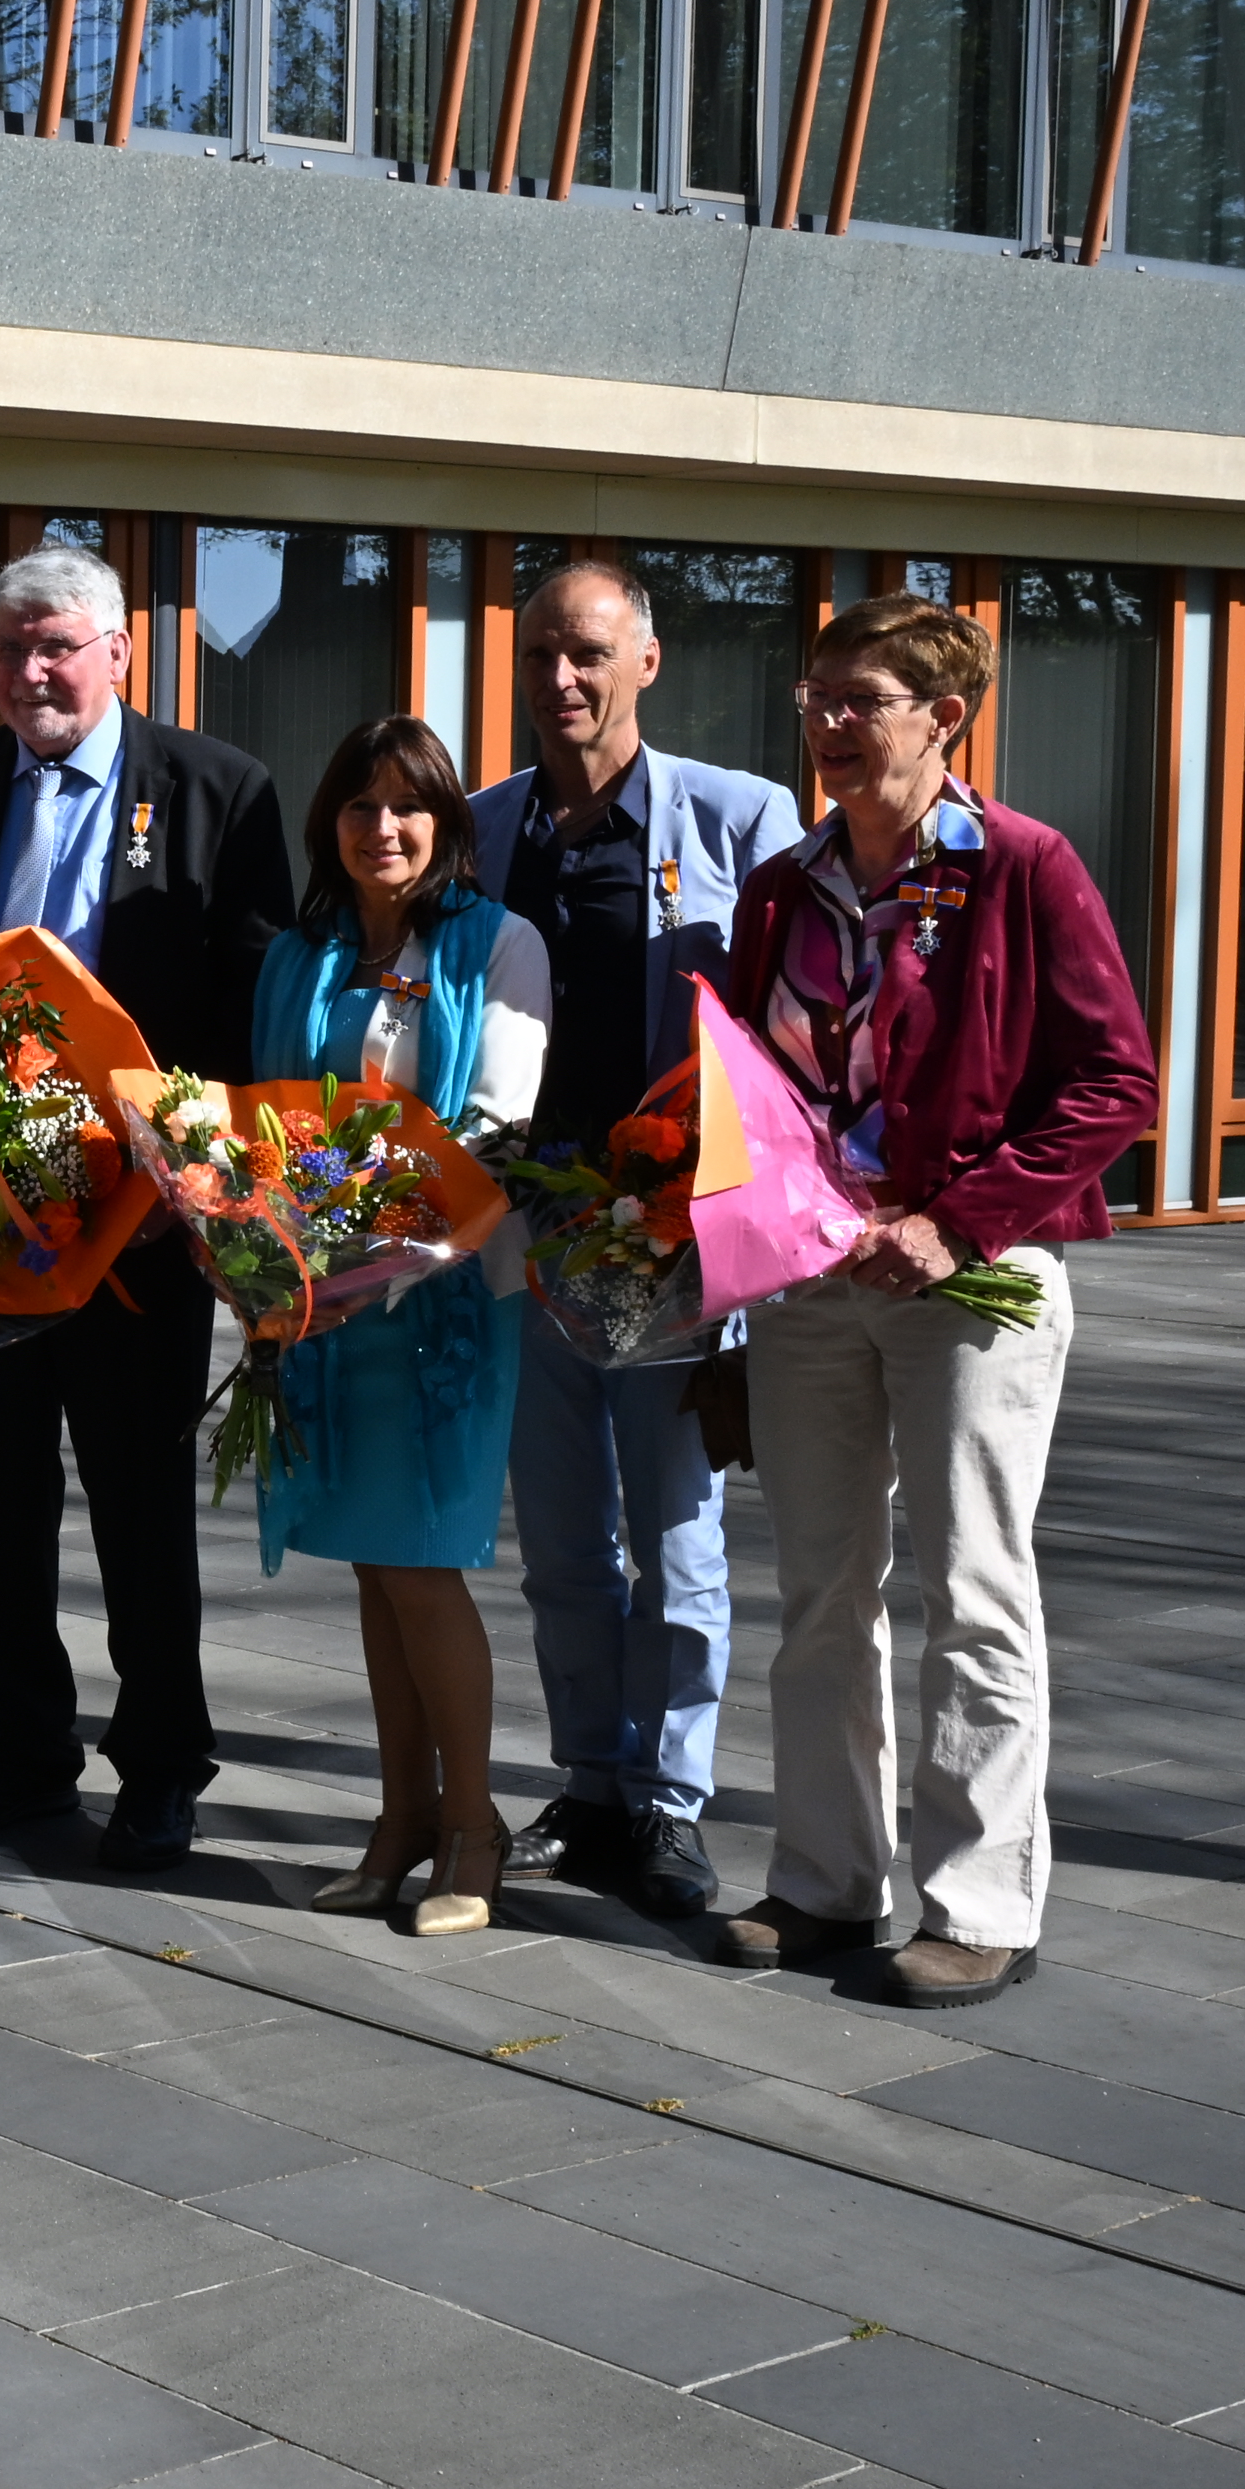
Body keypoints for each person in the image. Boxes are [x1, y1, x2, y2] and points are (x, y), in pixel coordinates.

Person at [708, 595, 1154, 2009]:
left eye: (864, 701)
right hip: (813, 1281)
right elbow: (760, 1092)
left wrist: (955, 1224)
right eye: (819, 699)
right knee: (823, 1590)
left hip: (974, 1275)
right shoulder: (785, 886)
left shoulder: (1024, 866)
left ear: (942, 718)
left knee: (974, 1587)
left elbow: (1115, 1083)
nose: (833, 726)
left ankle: (978, 1901)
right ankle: (826, 1884)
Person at [0, 544, 292, 1869]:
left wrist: (197, 1181)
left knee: (138, 1500)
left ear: (120, 652)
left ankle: (163, 1759)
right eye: (11, 650)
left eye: (58, 646)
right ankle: (19, 1751)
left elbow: (246, 1010)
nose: (35, 673)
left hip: (142, 1228)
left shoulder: (219, 792)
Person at [475, 563, 803, 1920]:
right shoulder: (485, 828)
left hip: (670, 1242)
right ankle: (591, 1781)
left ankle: (671, 1802)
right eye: (542, 652)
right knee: (557, 1542)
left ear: (646, 663)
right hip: (526, 1236)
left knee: (676, 1542)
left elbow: (794, 1048)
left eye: (589, 652)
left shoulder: (741, 820)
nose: (563, 677)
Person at [253, 718, 551, 1937]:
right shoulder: (299, 955)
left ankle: (472, 1825)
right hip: (326, 1298)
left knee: (423, 1563)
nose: (384, 828)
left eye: (408, 805)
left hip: (446, 1299)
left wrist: (366, 1242)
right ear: (331, 823)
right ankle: (398, 1817)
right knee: (377, 1568)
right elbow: (262, 1121)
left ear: (447, 822)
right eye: (360, 805)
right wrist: (263, 1237)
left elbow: (496, 1128)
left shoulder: (502, 945)